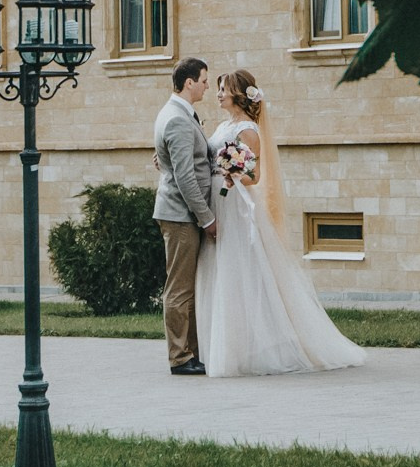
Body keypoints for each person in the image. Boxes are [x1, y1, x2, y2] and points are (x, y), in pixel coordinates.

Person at [194, 68, 365, 378]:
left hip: (234, 203)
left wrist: (234, 174)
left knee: (240, 268)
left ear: (239, 94)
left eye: (223, 89)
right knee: (220, 268)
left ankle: (253, 348)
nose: (218, 94)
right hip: (217, 199)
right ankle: (225, 346)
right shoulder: (223, 126)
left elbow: (255, 176)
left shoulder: (247, 130)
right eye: (217, 88)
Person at [151, 57, 216, 376]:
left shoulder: (178, 113)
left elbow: (172, 162)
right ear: (189, 82)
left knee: (186, 287)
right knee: (179, 288)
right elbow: (185, 177)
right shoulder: (177, 118)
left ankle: (191, 352)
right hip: (180, 214)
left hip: (182, 213)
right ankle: (180, 357)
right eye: (204, 80)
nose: (207, 86)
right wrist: (207, 218)